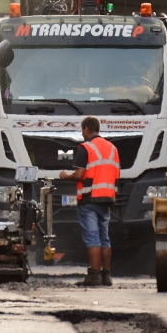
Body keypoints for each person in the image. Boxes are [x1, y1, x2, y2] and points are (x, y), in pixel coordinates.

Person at [59, 116, 119, 287]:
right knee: (104, 237)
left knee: (93, 238)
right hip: (107, 197)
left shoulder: (86, 148)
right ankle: (106, 275)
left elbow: (79, 175)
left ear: (86, 129)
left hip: (89, 198)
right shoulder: (112, 148)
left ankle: (94, 275)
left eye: (82, 129)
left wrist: (65, 176)